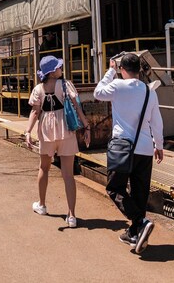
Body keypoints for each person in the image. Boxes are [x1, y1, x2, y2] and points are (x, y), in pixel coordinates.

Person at [94, 53, 163, 254]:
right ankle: (134, 233)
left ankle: (140, 222)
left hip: (122, 147)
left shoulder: (117, 86)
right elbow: (156, 121)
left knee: (115, 188)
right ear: (139, 70)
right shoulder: (150, 92)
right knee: (140, 193)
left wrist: (109, 71)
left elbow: (98, 92)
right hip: (144, 148)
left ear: (122, 70)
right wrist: (159, 145)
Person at [24, 55, 90, 228]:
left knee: (43, 168)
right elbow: (77, 107)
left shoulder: (38, 89)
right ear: (53, 71)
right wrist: (86, 127)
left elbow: (35, 112)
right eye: (59, 67)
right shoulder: (66, 85)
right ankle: (72, 216)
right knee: (68, 175)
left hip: (46, 133)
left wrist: (28, 132)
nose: (62, 69)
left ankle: (42, 205)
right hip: (66, 131)